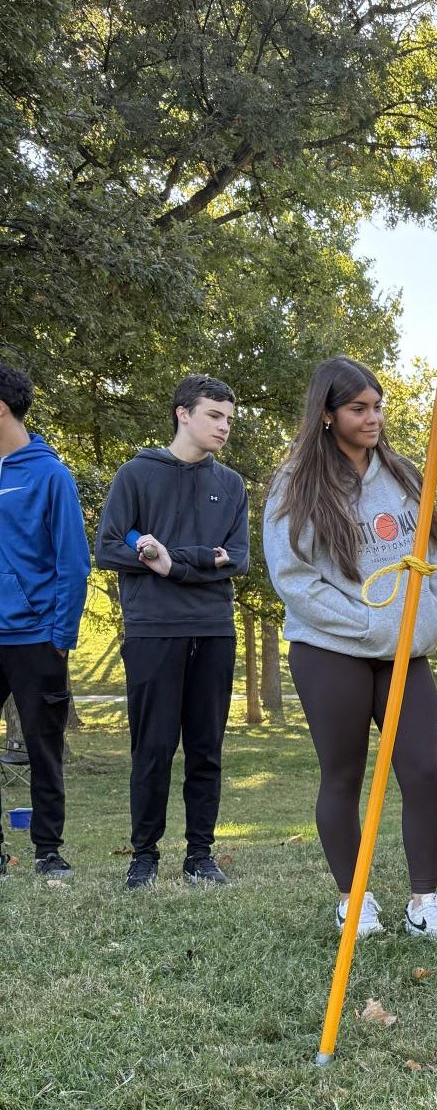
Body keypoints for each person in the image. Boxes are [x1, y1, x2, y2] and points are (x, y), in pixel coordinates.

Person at [263, 357, 437, 940]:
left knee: (422, 770)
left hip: (406, 653)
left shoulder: (403, 474)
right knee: (342, 775)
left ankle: (425, 902)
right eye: (358, 409)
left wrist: (420, 624)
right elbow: (294, 578)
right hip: (331, 650)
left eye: (377, 406)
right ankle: (355, 900)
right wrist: (371, 625)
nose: (372, 418)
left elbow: (431, 559)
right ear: (327, 415)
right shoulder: (297, 484)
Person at [94, 375, 250, 889]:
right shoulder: (136, 475)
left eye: (229, 418)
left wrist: (171, 563)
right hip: (153, 630)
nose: (224, 426)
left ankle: (200, 857)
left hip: (213, 630)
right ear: (183, 413)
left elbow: (238, 560)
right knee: (153, 747)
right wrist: (198, 560)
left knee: (206, 748)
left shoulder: (230, 485)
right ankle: (144, 857)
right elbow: (110, 547)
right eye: (214, 415)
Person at [0, 362, 90, 878]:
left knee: (43, 749)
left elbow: (72, 561)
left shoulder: (50, 473)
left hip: (36, 637)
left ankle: (48, 853)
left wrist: (61, 635)